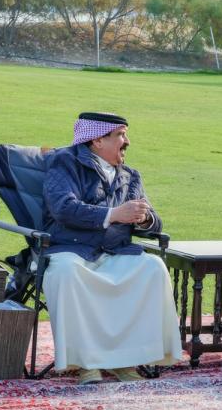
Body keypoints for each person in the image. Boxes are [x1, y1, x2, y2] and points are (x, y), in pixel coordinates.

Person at [41, 112, 183, 384]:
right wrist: (114, 214)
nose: (127, 141)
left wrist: (144, 218)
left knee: (152, 267)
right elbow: (63, 208)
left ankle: (126, 361)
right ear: (97, 140)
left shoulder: (130, 175)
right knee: (68, 272)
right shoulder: (64, 163)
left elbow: (154, 220)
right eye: (120, 135)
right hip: (71, 250)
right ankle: (86, 365)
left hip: (114, 251)